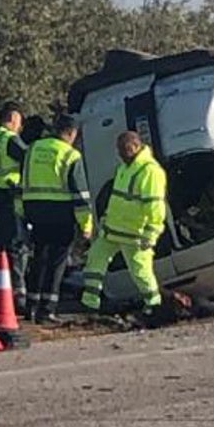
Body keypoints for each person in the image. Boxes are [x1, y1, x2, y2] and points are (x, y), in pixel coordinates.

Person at [81, 131, 168, 316]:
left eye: (125, 149)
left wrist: (151, 233)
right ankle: (90, 304)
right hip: (113, 230)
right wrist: (106, 220)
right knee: (94, 260)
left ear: (136, 146)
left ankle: (155, 305)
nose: (121, 153)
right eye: (120, 150)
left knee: (141, 272)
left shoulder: (150, 171)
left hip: (134, 233)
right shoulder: (124, 168)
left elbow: (155, 206)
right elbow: (117, 199)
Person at [20, 114, 93, 324]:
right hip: (61, 212)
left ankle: (31, 305)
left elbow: (22, 180)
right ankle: (47, 309)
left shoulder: (32, 149)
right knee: (57, 261)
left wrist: (23, 211)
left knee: (39, 257)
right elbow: (80, 194)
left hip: (34, 210)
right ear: (71, 133)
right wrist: (86, 225)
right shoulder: (71, 155)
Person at [0, 101, 29, 308]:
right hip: (10, 195)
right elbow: (29, 158)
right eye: (19, 121)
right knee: (16, 244)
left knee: (0, 243)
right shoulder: (8, 139)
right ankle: (18, 295)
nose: (20, 126)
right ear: (12, 118)